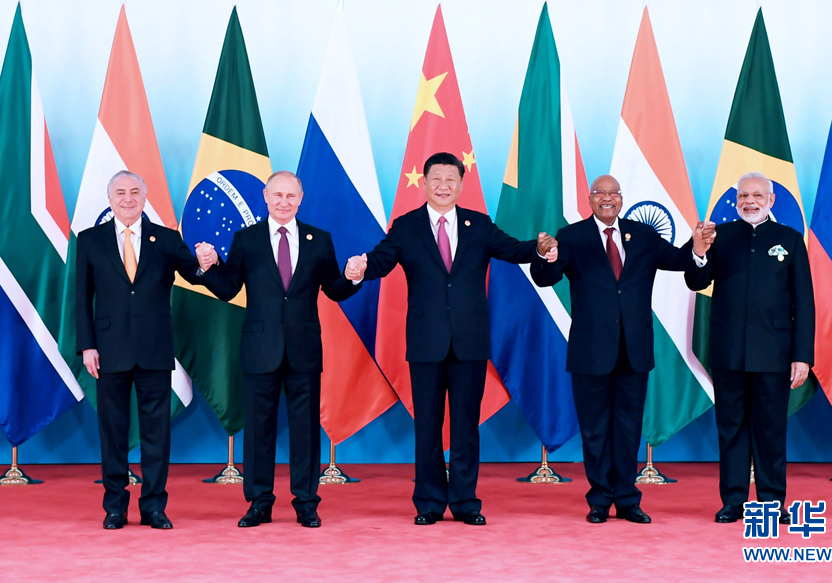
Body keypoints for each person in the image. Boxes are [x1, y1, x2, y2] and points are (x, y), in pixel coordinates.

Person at [344, 152, 557, 526]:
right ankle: (428, 503)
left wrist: (539, 249)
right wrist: (360, 268)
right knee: (427, 426)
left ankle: (465, 503)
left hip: (470, 343)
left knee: (465, 427)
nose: (443, 186)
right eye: (436, 179)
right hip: (425, 343)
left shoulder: (479, 225)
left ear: (460, 184)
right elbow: (381, 261)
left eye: (450, 180)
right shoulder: (406, 226)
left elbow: (514, 249)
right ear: (425, 183)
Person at [531, 174, 713, 524]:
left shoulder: (643, 235)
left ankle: (628, 500)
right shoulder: (572, 236)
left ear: (622, 199)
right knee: (595, 430)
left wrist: (697, 248)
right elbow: (546, 278)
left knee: (628, 429)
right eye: (600, 193)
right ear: (589, 199)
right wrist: (543, 256)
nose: (607, 198)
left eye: (613, 193)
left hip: (634, 350)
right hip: (590, 352)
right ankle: (600, 499)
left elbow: (682, 262)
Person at [200, 170, 359, 528]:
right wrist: (209, 268)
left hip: (304, 348)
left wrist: (352, 276)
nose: (284, 202)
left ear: (300, 199)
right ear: (266, 197)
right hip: (260, 348)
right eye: (277, 195)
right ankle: (259, 503)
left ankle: (306, 503)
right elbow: (228, 288)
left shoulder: (319, 239)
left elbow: (334, 288)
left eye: (291, 196)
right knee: (258, 429)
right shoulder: (246, 239)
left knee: (306, 431)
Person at [76, 170, 217, 530]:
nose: (128, 198)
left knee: (157, 433)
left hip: (155, 348)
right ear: (110, 199)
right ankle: (114, 507)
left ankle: (154, 507)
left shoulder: (166, 239)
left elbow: (193, 273)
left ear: (143, 197)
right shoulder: (90, 239)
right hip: (108, 351)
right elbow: (81, 297)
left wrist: (206, 263)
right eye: (120, 192)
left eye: (135, 192)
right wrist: (87, 345)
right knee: (112, 432)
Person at [684, 171, 814, 524]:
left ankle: (772, 501)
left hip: (774, 354)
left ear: (771, 200)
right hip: (728, 351)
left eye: (757, 195)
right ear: (736, 201)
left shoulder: (789, 239)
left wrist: (802, 356)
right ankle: (734, 501)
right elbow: (695, 280)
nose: (750, 202)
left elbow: (804, 302)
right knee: (731, 429)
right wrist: (699, 251)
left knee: (771, 430)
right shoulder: (719, 236)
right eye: (743, 196)